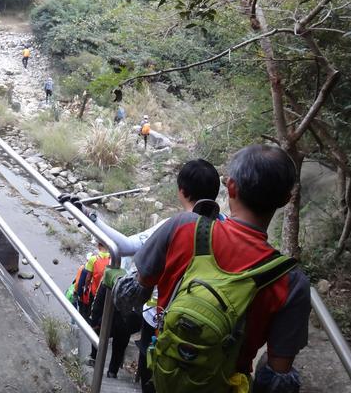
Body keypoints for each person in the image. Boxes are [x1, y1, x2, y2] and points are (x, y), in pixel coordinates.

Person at [108, 144, 310, 393]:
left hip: (165, 371)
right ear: (286, 199)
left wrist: (114, 276)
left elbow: (129, 296)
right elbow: (278, 378)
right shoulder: (291, 281)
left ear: (231, 187)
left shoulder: (183, 226)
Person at [63, 159, 222, 388]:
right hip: (209, 326)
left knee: (154, 377)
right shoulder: (227, 229)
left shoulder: (174, 225)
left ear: (181, 190)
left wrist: (89, 216)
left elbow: (126, 246)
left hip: (162, 321)